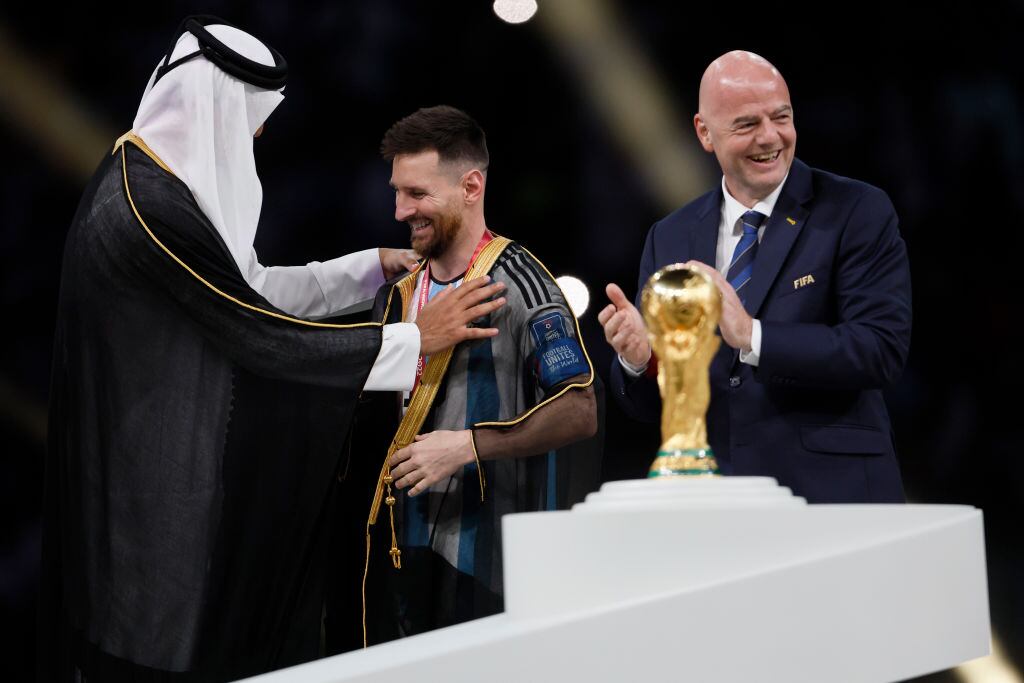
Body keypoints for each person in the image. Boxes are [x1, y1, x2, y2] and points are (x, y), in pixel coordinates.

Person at [40, 17, 505, 682]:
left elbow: (245, 290)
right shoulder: (146, 210)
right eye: (252, 119)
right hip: (149, 498)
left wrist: (367, 269)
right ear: (216, 107)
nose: (257, 135)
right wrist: (411, 340)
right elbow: (253, 331)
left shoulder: (155, 186)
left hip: (175, 467)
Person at [327, 105, 601, 650]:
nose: (401, 210)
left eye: (418, 194)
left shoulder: (522, 284)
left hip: (489, 561)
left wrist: (469, 446)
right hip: (395, 552)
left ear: (471, 186)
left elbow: (580, 409)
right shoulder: (398, 294)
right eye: (397, 192)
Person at [600, 50, 911, 503]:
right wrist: (640, 360)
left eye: (780, 117)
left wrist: (752, 335)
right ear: (705, 133)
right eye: (746, 124)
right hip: (717, 502)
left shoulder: (856, 211)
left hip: (833, 498)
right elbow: (653, 411)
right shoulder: (669, 236)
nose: (770, 137)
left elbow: (879, 349)